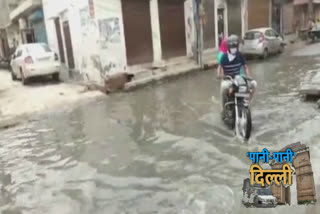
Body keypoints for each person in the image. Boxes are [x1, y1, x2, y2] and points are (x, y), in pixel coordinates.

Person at [217, 35, 257, 111]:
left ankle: (247, 101)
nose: (233, 49)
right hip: (228, 79)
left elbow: (245, 67)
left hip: (238, 78)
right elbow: (219, 68)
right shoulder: (224, 57)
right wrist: (220, 75)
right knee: (223, 87)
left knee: (254, 84)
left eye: (235, 47)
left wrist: (248, 77)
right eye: (232, 47)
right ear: (228, 47)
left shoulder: (240, 55)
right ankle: (223, 108)